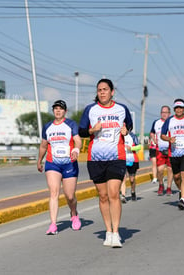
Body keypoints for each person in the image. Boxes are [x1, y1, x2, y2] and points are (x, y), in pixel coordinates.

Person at [78, 79, 133, 248]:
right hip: (95, 158)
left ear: (112, 92)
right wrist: (92, 130)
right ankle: (108, 231)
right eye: (99, 90)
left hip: (117, 156)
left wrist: (126, 131)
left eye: (105, 89)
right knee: (103, 196)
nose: (102, 92)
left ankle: (116, 233)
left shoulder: (121, 109)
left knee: (114, 194)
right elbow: (81, 131)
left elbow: (128, 126)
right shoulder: (91, 110)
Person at [37, 100, 82, 235]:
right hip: (52, 163)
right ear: (53, 111)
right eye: (56, 108)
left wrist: (76, 150)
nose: (58, 111)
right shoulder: (47, 127)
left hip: (69, 163)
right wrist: (39, 160)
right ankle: (53, 224)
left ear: (65, 111)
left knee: (69, 195)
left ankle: (73, 214)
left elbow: (78, 140)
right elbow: (44, 145)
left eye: (61, 109)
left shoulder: (71, 124)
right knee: (53, 193)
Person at [161, 99, 184, 210]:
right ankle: (181, 190)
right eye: (176, 108)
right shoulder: (169, 120)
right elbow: (162, 135)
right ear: (174, 109)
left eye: (180, 108)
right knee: (176, 177)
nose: (178, 110)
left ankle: (182, 199)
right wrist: (168, 138)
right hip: (174, 152)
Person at [150, 105, 174, 196]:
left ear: (169, 113)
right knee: (160, 170)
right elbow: (152, 132)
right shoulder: (156, 123)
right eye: (162, 112)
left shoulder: (172, 122)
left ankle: (169, 187)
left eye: (166, 112)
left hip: (171, 149)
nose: (164, 114)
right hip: (160, 149)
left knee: (170, 169)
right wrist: (153, 139)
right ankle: (161, 185)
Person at [120, 132, 141, 203]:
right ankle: (123, 195)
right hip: (122, 159)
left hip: (132, 159)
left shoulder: (132, 136)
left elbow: (139, 146)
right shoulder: (118, 135)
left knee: (132, 180)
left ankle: (133, 192)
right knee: (122, 178)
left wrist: (131, 148)